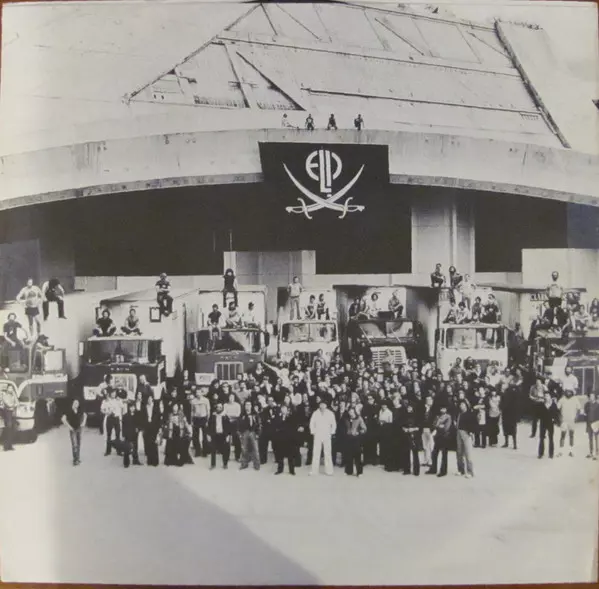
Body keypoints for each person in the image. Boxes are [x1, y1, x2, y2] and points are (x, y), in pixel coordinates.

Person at [309, 399, 337, 475]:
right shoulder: (315, 413)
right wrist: (313, 432)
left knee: (327, 452)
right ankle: (314, 471)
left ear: (326, 405)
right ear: (319, 405)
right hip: (317, 435)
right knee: (316, 452)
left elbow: (334, 424)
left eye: (324, 404)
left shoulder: (330, 413)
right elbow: (312, 423)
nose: (322, 406)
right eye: (321, 404)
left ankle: (329, 470)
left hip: (327, 435)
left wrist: (331, 432)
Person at [427, 405, 452, 477]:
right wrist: (439, 425)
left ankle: (443, 471)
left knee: (444, 454)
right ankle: (433, 469)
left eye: (444, 408)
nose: (442, 410)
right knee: (434, 453)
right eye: (441, 408)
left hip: (445, 437)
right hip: (437, 436)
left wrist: (438, 426)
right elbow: (434, 425)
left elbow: (446, 428)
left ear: (446, 409)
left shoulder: (448, 417)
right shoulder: (438, 416)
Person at [272, 404, 297, 475]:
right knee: (280, 455)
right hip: (280, 439)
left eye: (285, 409)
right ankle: (280, 470)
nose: (283, 410)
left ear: (287, 409)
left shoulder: (291, 417)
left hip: (289, 439)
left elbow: (292, 427)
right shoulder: (277, 417)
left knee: (290, 456)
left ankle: (292, 470)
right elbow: (276, 426)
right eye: (282, 408)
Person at [342, 406, 366, 476]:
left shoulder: (359, 418)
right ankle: (349, 471)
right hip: (348, 438)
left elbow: (364, 428)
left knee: (357, 455)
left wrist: (359, 432)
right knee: (348, 455)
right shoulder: (346, 419)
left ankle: (359, 472)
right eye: (350, 412)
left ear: (355, 412)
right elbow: (343, 427)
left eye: (352, 411)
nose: (351, 413)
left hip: (356, 439)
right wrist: (345, 432)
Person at [62, 398, 87, 466]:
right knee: (74, 445)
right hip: (73, 430)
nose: (76, 404)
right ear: (72, 403)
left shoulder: (79, 410)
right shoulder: (69, 410)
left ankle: (77, 458)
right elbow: (63, 419)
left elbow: (85, 415)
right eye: (75, 403)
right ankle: (75, 460)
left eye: (77, 403)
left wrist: (83, 422)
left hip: (79, 429)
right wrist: (69, 426)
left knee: (78, 444)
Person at [207, 402, 232, 469]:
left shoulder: (225, 416)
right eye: (218, 407)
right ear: (216, 408)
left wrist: (228, 436)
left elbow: (228, 427)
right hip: (214, 435)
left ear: (222, 408)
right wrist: (208, 434)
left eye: (220, 407)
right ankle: (213, 464)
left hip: (223, 435)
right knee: (213, 450)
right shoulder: (213, 416)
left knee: (225, 449)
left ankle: (225, 464)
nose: (219, 408)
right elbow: (209, 425)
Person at [139, 395, 162, 467]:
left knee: (154, 443)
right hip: (147, 427)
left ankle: (155, 461)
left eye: (150, 399)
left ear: (152, 399)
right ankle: (149, 461)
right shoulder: (144, 408)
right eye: (148, 399)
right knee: (148, 443)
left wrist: (159, 428)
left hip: (154, 427)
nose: (149, 400)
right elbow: (142, 418)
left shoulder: (156, 407)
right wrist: (142, 428)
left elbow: (159, 418)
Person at [239, 400, 261, 470]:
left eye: (249, 405)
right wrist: (240, 433)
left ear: (251, 406)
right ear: (244, 406)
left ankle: (257, 465)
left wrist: (257, 433)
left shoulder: (255, 414)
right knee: (244, 449)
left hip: (253, 432)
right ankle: (244, 464)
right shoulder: (242, 414)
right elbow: (239, 425)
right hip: (245, 432)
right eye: (246, 405)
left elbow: (259, 425)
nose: (247, 406)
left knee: (255, 449)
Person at [557, 388, 580, 457]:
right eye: (567, 391)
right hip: (564, 421)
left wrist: (576, 417)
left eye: (570, 391)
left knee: (571, 436)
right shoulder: (562, 399)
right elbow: (557, 409)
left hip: (572, 421)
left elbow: (579, 409)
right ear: (565, 392)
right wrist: (560, 418)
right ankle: (560, 451)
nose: (568, 393)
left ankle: (571, 451)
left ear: (572, 392)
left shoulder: (575, 399)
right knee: (562, 436)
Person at [455, 400, 475, 478]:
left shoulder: (470, 414)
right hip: (459, 432)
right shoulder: (459, 414)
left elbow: (473, 424)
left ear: (466, 405)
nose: (461, 406)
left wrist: (471, 432)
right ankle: (461, 470)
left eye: (463, 404)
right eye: (460, 405)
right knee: (459, 452)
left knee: (468, 452)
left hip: (466, 433)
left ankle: (470, 471)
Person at [101, 388, 123, 456]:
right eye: (112, 393)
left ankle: (119, 451)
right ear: (110, 394)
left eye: (114, 393)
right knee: (109, 435)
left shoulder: (118, 400)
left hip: (116, 418)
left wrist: (120, 416)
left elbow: (122, 407)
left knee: (118, 435)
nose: (114, 394)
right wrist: (106, 412)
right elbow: (102, 409)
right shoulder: (106, 400)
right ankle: (108, 451)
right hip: (110, 418)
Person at [538, 392, 560, 459]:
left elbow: (556, 414)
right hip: (543, 422)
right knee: (541, 438)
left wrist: (555, 420)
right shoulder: (541, 404)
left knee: (551, 438)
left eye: (547, 396)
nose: (546, 397)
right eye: (545, 396)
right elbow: (538, 413)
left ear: (550, 397)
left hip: (550, 423)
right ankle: (540, 453)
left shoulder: (553, 404)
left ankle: (551, 454)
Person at [190, 388, 211, 457]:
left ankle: (205, 452)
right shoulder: (193, 401)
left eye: (199, 392)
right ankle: (198, 451)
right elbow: (192, 411)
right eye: (197, 393)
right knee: (195, 436)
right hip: (196, 419)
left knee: (205, 436)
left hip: (204, 419)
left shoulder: (206, 400)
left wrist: (207, 420)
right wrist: (191, 420)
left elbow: (208, 411)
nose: (198, 394)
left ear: (202, 393)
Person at [122, 402, 142, 468]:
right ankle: (126, 463)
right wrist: (123, 435)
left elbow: (140, 424)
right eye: (131, 407)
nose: (132, 408)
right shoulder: (125, 416)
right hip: (127, 434)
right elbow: (123, 426)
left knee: (135, 447)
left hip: (135, 434)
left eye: (133, 407)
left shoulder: (137, 415)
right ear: (129, 408)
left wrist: (138, 429)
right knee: (127, 448)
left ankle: (135, 460)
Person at [1, 382, 19, 451]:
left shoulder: (13, 395)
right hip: (7, 413)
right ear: (7, 389)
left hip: (12, 413)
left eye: (12, 388)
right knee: (8, 429)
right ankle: (6, 446)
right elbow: (8, 404)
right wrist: (13, 405)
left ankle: (10, 446)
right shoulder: (4, 395)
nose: (11, 389)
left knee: (12, 429)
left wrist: (14, 395)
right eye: (10, 388)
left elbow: (17, 403)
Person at [224, 392, 242, 461]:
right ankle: (226, 456)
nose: (231, 398)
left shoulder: (237, 405)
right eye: (230, 397)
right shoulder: (225, 405)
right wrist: (231, 416)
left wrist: (230, 416)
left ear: (234, 398)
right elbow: (225, 414)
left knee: (237, 441)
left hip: (235, 424)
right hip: (227, 424)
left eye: (232, 397)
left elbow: (238, 415)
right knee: (227, 441)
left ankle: (237, 456)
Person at [583, 392, 599, 460]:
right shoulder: (587, 404)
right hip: (589, 423)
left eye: (593, 396)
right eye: (590, 396)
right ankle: (591, 452)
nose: (591, 397)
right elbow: (585, 413)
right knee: (590, 439)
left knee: (596, 439)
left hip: (596, 423)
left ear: (595, 397)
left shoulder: (597, 405)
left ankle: (596, 454)